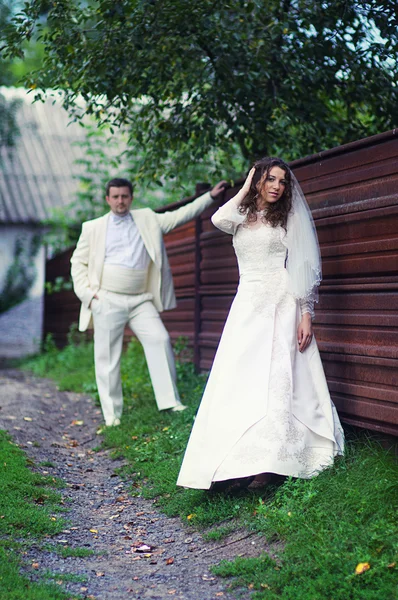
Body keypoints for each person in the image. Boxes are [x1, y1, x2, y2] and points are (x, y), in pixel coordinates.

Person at [177, 157, 344, 490]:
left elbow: (303, 266)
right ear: (257, 181)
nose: (276, 187)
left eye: (282, 182)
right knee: (240, 376)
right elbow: (217, 217)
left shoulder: (287, 218)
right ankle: (236, 460)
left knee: (277, 380)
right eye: (270, 179)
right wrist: (244, 189)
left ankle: (271, 463)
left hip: (282, 301)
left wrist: (306, 315)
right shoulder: (241, 214)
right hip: (247, 303)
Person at [70, 177, 226, 427]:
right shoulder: (93, 228)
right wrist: (89, 296)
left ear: (131, 197)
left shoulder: (148, 219)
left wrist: (209, 197)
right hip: (107, 298)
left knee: (159, 339)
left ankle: (170, 402)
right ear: (108, 199)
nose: (121, 201)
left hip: (141, 299)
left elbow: (179, 215)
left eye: (125, 196)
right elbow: (78, 263)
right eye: (116, 197)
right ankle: (112, 415)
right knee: (107, 356)